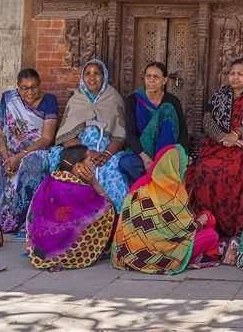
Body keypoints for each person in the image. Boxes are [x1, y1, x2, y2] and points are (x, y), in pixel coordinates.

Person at [185, 59, 243, 237]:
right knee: (205, 170)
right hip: (220, 145)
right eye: (232, 73)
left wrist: (237, 134)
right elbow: (207, 121)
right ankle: (209, 223)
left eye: (240, 74)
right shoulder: (219, 95)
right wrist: (223, 137)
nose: (235, 77)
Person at [0, 68, 57, 232]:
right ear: (18, 88)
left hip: (36, 150)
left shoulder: (49, 100)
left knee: (31, 166)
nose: (29, 92)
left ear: (39, 85)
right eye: (24, 88)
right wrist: (6, 156)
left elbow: (47, 138)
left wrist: (20, 156)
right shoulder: (9, 98)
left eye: (33, 87)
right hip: (8, 150)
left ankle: (19, 222)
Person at [111, 144, 219, 274]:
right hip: (159, 257)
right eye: (182, 165)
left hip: (127, 254)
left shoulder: (139, 185)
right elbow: (182, 231)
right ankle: (192, 258)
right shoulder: (170, 192)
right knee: (211, 235)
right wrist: (202, 220)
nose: (184, 169)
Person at [48, 59, 129, 208]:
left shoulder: (114, 98)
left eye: (96, 74)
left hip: (106, 152)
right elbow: (66, 136)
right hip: (80, 150)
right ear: (82, 77)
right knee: (60, 160)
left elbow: (119, 134)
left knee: (112, 170)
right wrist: (88, 153)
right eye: (88, 74)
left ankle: (111, 215)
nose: (92, 78)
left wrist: (106, 155)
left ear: (103, 77)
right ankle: (71, 213)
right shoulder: (75, 100)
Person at [27, 145, 116, 271]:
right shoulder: (81, 191)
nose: (92, 163)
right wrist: (94, 183)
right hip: (69, 246)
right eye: (90, 159)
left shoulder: (50, 180)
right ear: (79, 166)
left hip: (44, 243)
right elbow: (110, 208)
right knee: (116, 219)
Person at [118, 61, 189, 186]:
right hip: (142, 151)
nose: (151, 80)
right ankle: (152, 186)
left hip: (165, 153)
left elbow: (182, 130)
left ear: (164, 80)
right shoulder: (134, 99)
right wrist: (144, 157)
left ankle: (158, 172)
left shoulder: (172, 101)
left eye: (156, 77)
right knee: (126, 163)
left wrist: (183, 155)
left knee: (167, 109)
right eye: (148, 76)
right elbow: (130, 133)